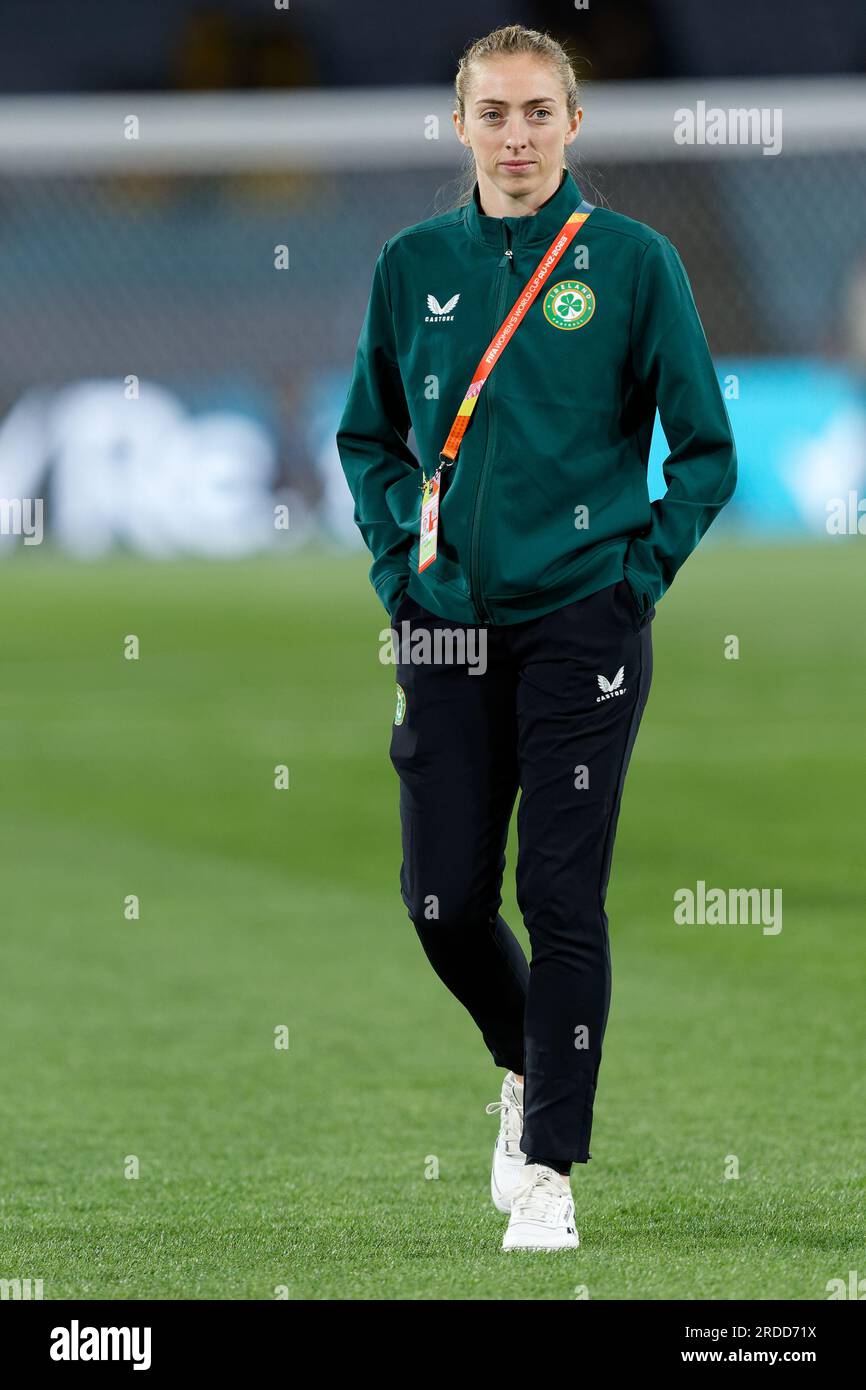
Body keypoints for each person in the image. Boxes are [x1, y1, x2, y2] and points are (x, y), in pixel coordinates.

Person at [336, 23, 736, 1251]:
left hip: (582, 626)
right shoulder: (412, 264)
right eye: (492, 114)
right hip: (447, 628)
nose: (515, 137)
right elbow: (370, 439)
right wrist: (405, 569)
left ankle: (550, 1164)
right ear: (458, 126)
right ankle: (526, 1064)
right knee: (443, 902)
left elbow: (706, 449)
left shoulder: (631, 263)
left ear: (573, 123)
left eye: (535, 113)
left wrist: (635, 579)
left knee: (560, 893)